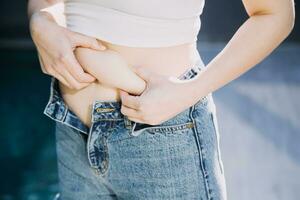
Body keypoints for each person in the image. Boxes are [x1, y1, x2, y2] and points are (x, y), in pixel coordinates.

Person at [27, 0, 295, 199]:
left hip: (163, 136)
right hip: (71, 130)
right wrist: (40, 21)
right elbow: (48, 4)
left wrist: (192, 89)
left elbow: (276, 15)